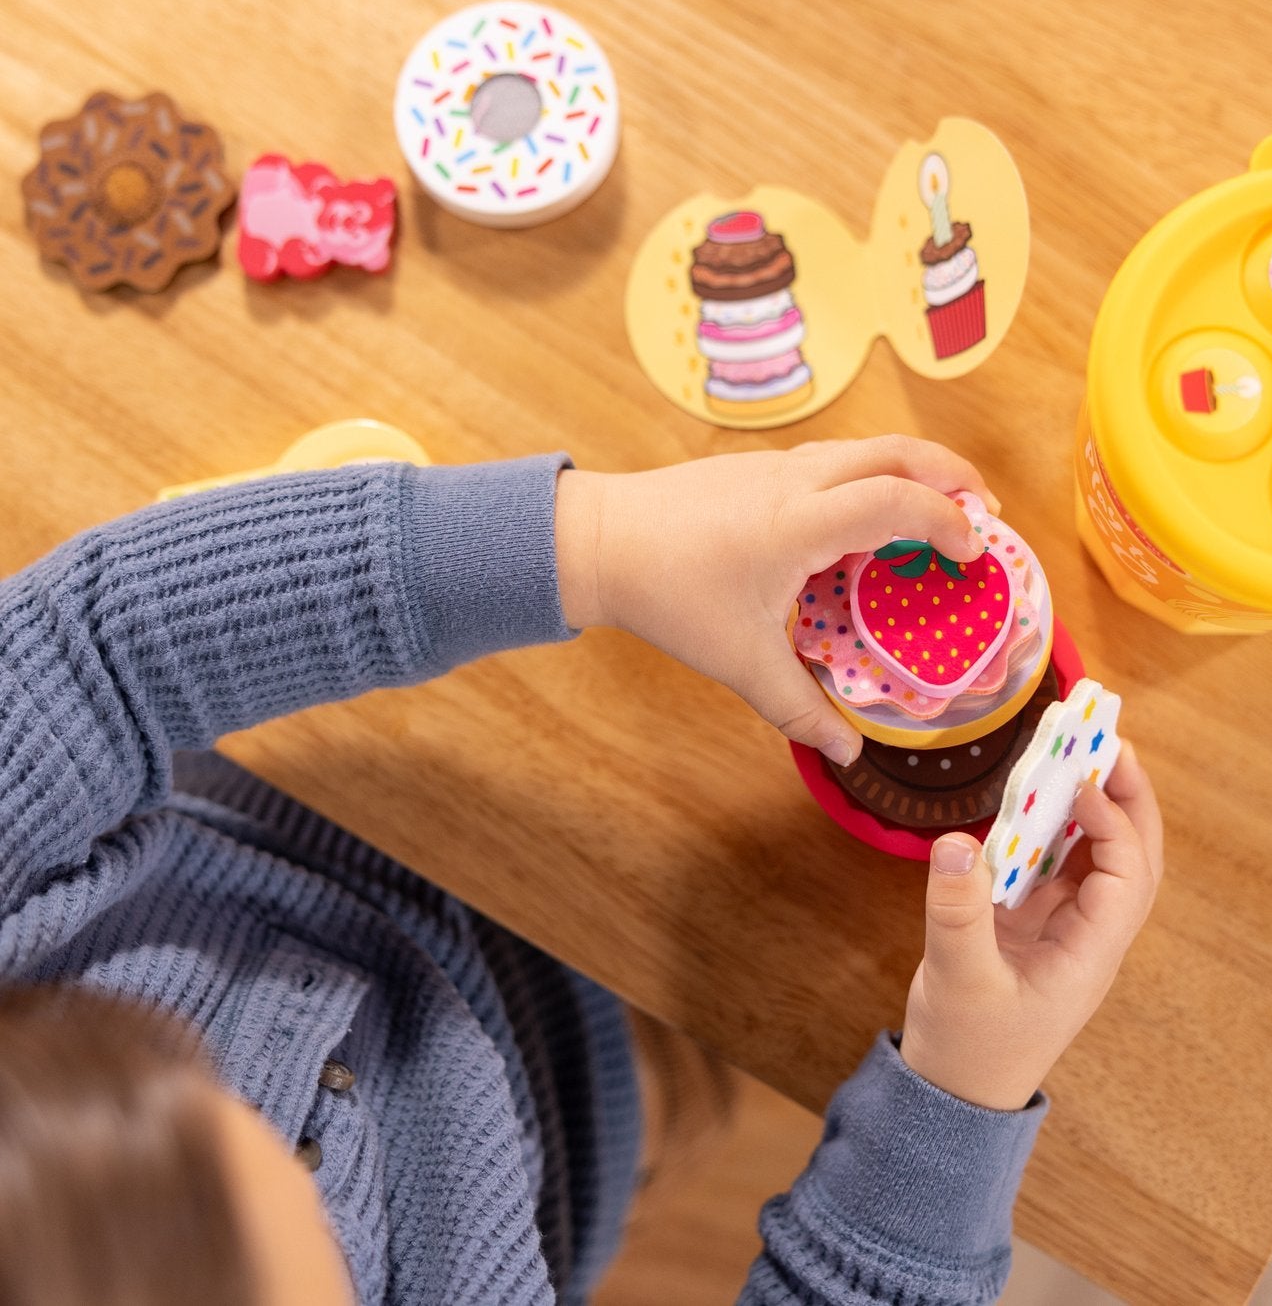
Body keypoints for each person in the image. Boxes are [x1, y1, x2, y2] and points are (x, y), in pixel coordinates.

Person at [0, 435, 1163, 1305]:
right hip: (571, 1100)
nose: (296, 1148)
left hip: (334, 807)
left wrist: (598, 545)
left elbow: (88, 649)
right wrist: (962, 1088)